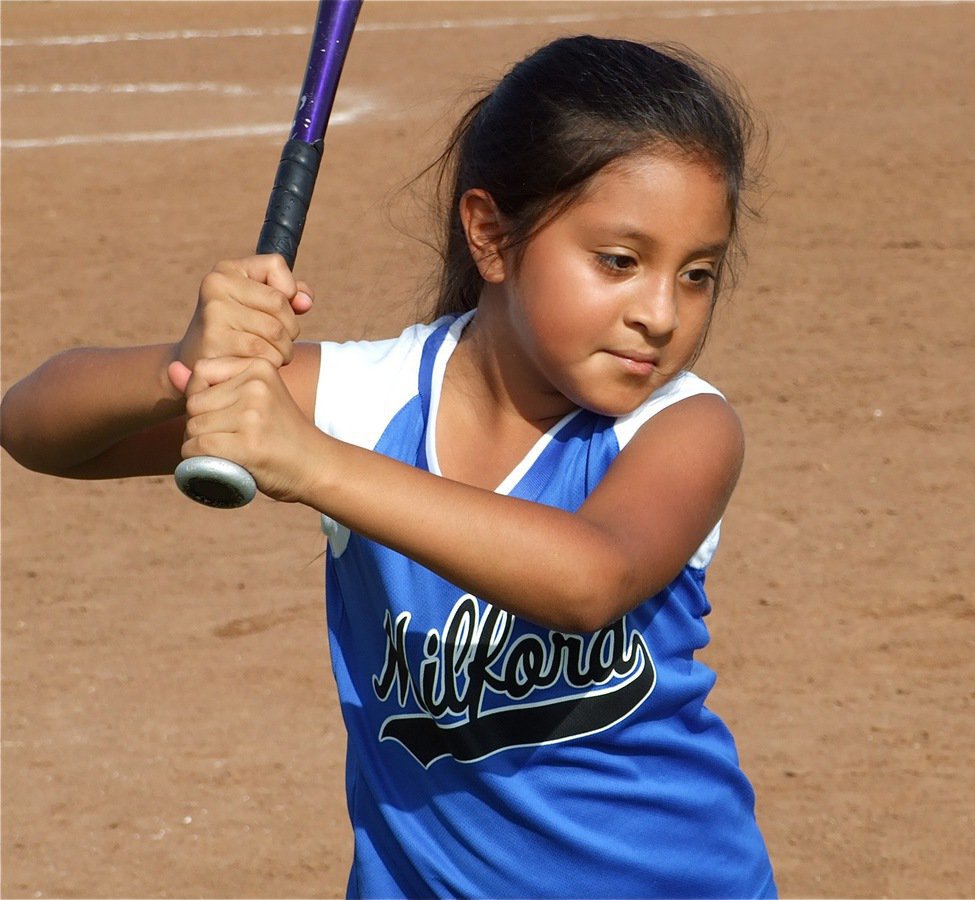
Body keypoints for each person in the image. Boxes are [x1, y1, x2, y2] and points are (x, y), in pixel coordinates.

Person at [1, 34, 776, 898]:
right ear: (490, 235)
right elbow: (37, 427)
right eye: (620, 262)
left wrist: (312, 463)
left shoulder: (685, 426)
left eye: (699, 273)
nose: (662, 314)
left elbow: (591, 577)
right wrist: (184, 363)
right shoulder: (376, 400)